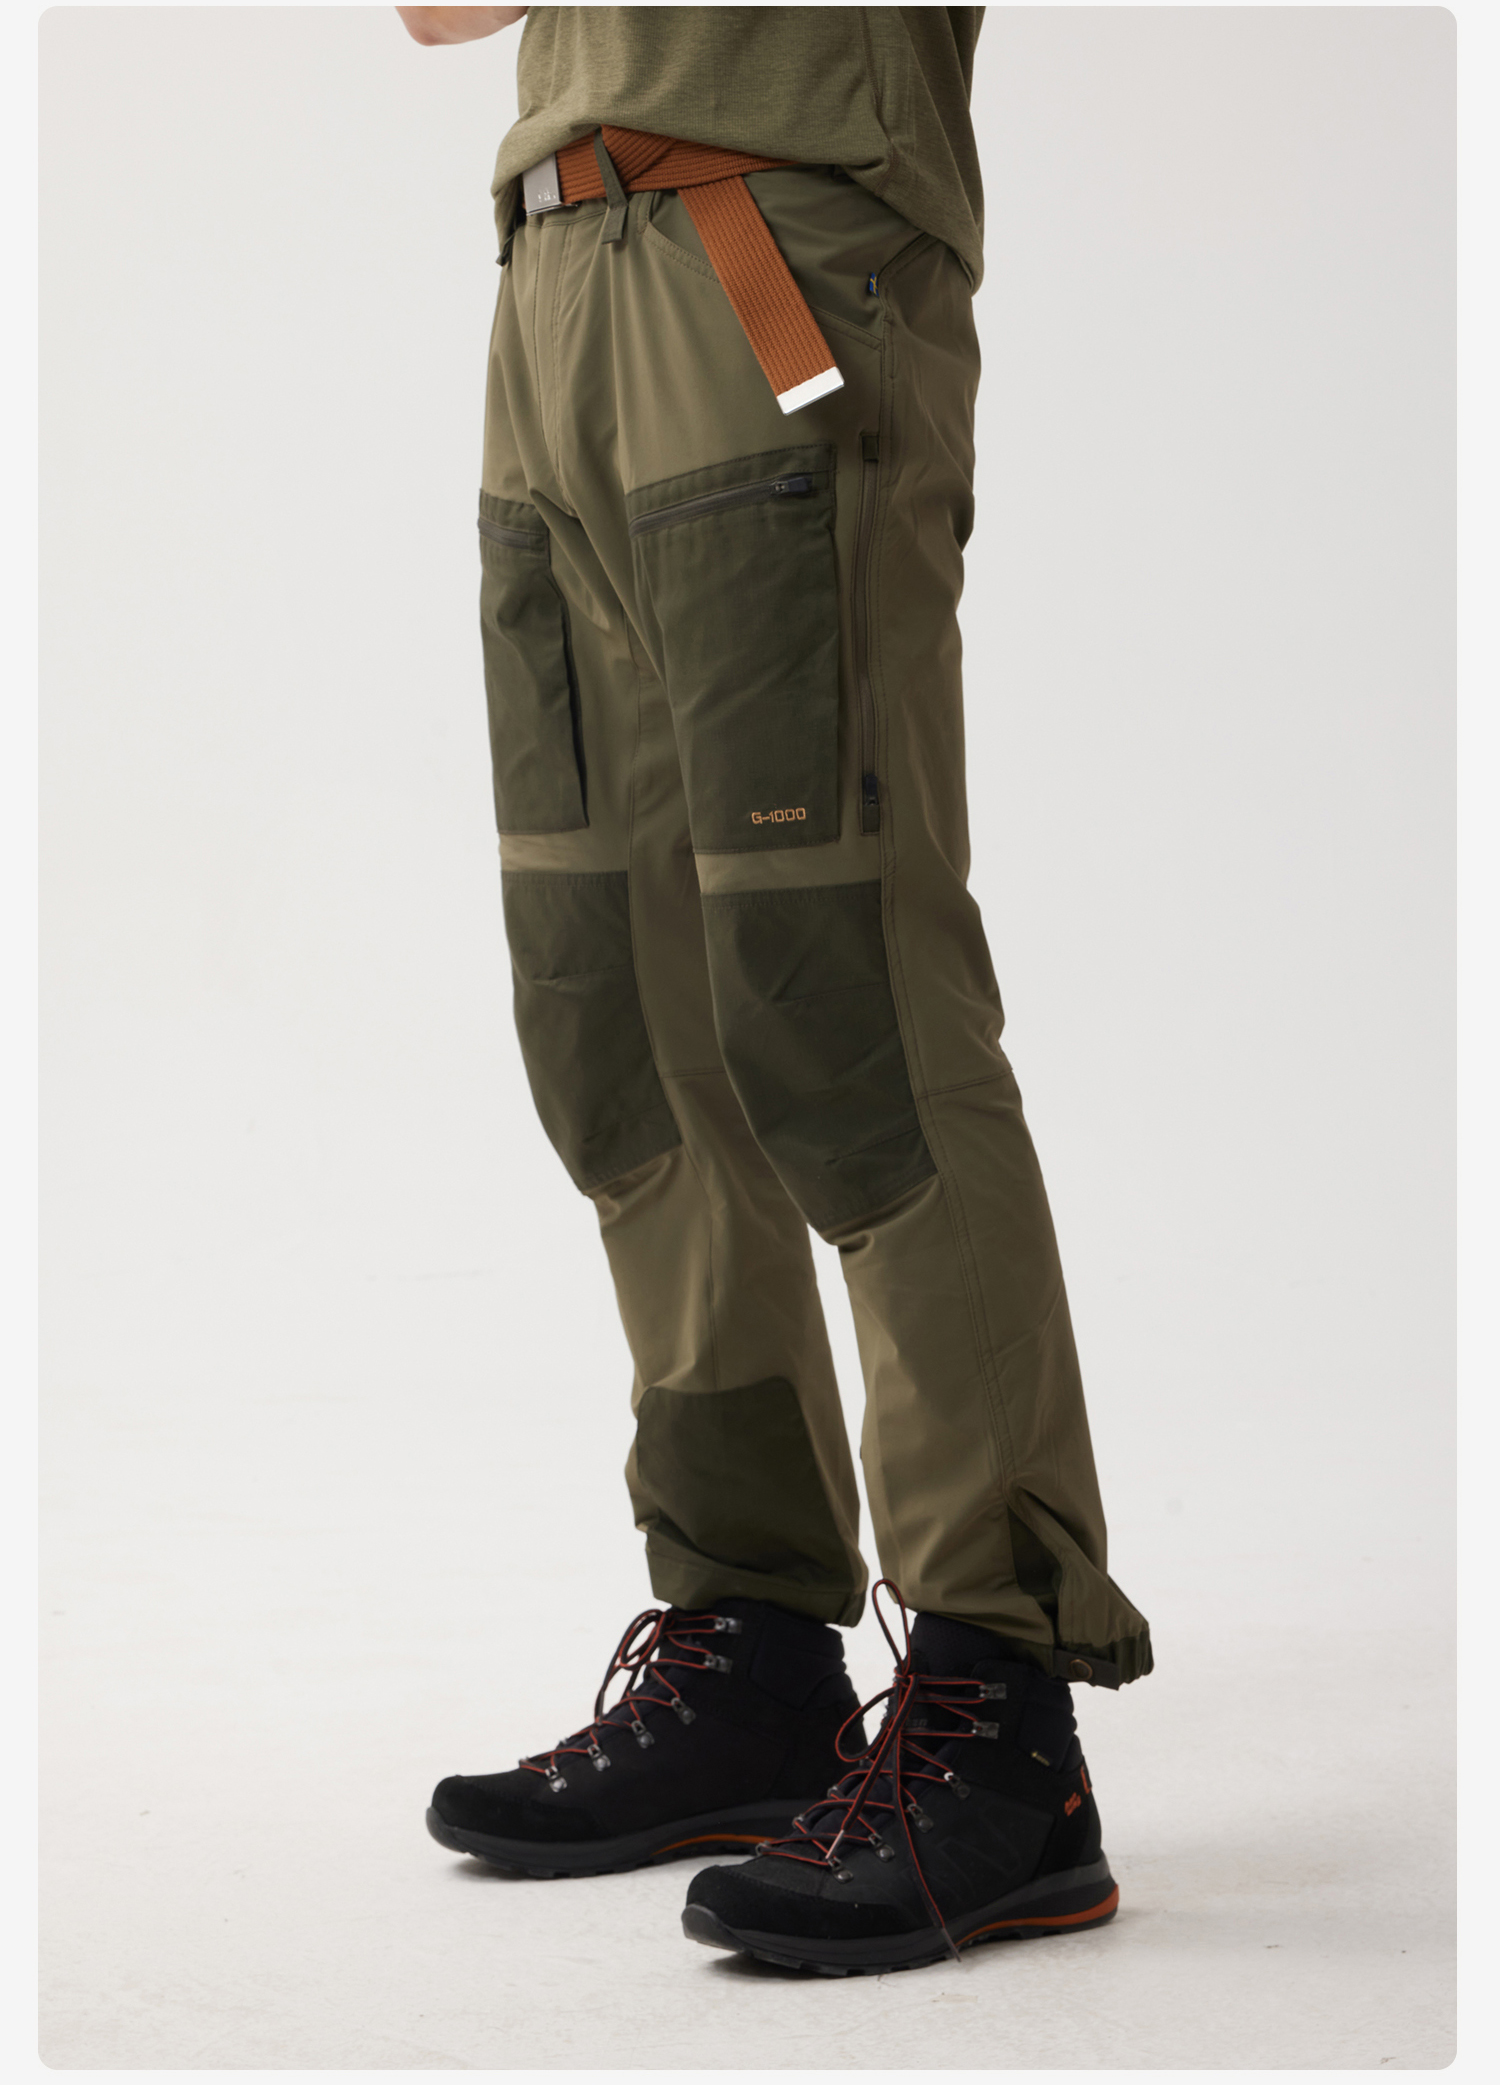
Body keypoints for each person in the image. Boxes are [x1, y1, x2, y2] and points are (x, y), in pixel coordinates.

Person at [398, 3, 1152, 1976]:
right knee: (617, 1016)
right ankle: (748, 1640)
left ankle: (1001, 1701)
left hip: (780, 246)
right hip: (554, 274)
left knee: (847, 1001)